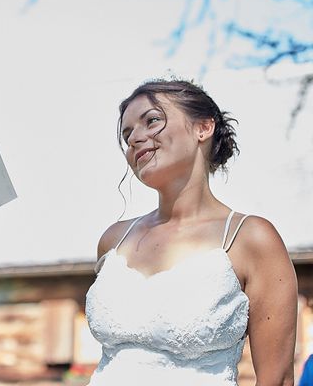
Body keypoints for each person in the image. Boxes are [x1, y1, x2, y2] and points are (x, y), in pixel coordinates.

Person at [85, 79, 297, 385]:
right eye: (127, 134)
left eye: (152, 121)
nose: (135, 139)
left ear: (203, 128)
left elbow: (276, 379)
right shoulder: (114, 241)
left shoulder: (249, 237)